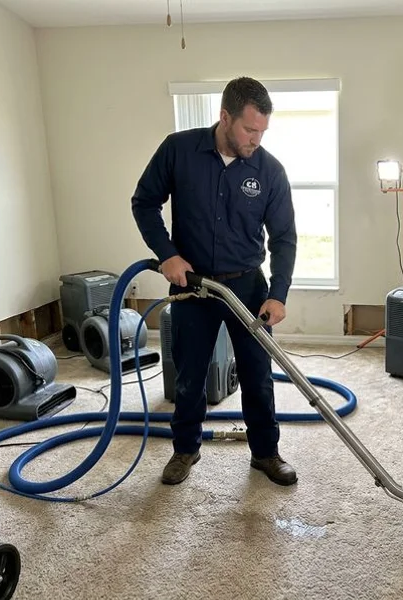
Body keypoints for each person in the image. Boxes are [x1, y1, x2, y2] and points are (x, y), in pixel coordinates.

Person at [131, 76, 298, 486]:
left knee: (257, 374)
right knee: (189, 374)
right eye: (249, 129)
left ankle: (265, 453)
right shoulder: (178, 150)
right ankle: (185, 449)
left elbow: (284, 238)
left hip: (246, 287)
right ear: (225, 117)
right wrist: (167, 254)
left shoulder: (269, 170)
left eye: (262, 131)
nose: (256, 139)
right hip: (192, 286)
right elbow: (145, 202)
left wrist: (278, 294)